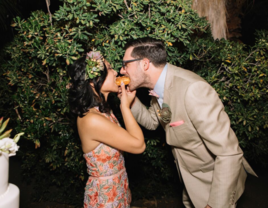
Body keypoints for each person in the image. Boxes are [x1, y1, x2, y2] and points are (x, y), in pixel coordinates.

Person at [119, 38, 257, 208]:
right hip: (190, 182)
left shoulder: (193, 90)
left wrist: (215, 205)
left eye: (125, 64)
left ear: (145, 64)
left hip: (213, 185)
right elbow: (152, 122)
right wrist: (129, 102)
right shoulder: (160, 87)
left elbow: (229, 153)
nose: (122, 70)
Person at [68, 50, 145, 208]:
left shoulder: (102, 111)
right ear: (93, 82)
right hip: (105, 198)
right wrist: (125, 107)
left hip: (118, 188)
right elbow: (138, 145)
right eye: (109, 69)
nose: (115, 72)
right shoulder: (92, 120)